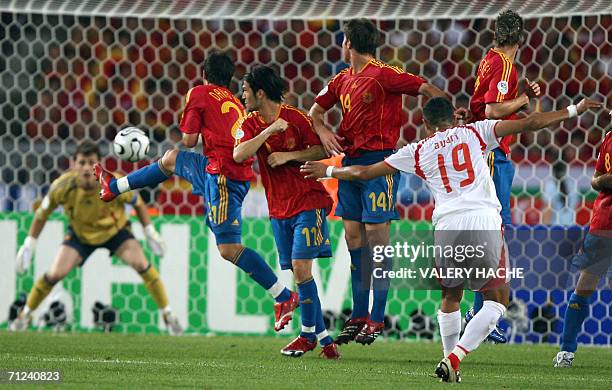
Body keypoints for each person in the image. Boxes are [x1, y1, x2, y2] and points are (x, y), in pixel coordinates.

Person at [301, 96, 602, 382]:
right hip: (482, 219)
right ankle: (454, 359)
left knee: (450, 298)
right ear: (451, 118)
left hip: (446, 226)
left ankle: (448, 361)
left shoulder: (417, 150)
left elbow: (365, 173)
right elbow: (531, 122)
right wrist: (574, 110)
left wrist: (328, 169)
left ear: (426, 124)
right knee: (497, 303)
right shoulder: (476, 131)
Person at [95, 52, 298, 332]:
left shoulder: (199, 93)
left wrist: (197, 123)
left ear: (204, 73)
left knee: (228, 249)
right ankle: (114, 186)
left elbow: (190, 140)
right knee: (170, 159)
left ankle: (283, 296)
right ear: (228, 79)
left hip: (224, 176)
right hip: (217, 168)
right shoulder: (234, 101)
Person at [309, 18, 448, 345]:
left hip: (381, 163)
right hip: (351, 164)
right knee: (354, 238)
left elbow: (427, 88)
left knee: (377, 240)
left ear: (348, 43)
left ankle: (376, 316)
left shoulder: (385, 73)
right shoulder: (341, 79)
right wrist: (323, 130)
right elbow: (315, 111)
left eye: (343, 40)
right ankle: (358, 314)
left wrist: (443, 123)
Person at [10, 140, 182, 335]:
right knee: (53, 275)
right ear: (73, 164)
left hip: (116, 232)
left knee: (143, 266)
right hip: (80, 235)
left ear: (99, 164)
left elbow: (138, 203)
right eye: (81, 162)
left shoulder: (114, 182)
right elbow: (42, 214)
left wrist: (150, 232)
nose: (85, 168)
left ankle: (169, 316)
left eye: (90, 162)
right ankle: (24, 316)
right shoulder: (61, 187)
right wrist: (29, 244)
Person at [233, 65, 340, 358]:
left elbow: (322, 151)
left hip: (308, 200)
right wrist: (269, 130)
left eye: (245, 91)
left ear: (260, 92)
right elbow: (239, 154)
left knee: (302, 269)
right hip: (278, 209)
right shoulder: (251, 123)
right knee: (299, 273)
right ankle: (325, 339)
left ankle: (306, 336)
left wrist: (289, 156)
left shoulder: (297, 118)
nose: (242, 97)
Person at [467, 9, 541, 343]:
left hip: (483, 149)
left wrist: (526, 105)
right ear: (520, 38)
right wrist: (525, 98)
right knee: (493, 233)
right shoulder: (504, 65)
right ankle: (480, 309)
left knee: (488, 233)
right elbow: (492, 110)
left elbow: (480, 107)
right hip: (493, 154)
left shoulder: (487, 59)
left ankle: (478, 307)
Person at [554, 125, 612, 368]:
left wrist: (603, 180)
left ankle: (567, 352)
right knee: (584, 285)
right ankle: (566, 352)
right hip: (604, 222)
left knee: (584, 286)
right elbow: (595, 180)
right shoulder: (608, 138)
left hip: (603, 223)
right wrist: (603, 180)